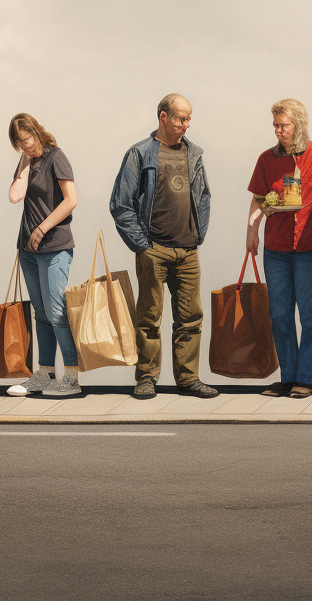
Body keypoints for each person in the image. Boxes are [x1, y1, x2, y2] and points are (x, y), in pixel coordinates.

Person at [110, 94, 217, 399]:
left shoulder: (193, 153)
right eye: (181, 118)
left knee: (191, 317)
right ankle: (146, 378)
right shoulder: (140, 153)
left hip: (188, 250)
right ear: (163, 117)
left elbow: (204, 196)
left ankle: (188, 379)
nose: (186, 124)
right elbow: (120, 204)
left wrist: (198, 235)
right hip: (153, 248)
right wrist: (142, 245)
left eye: (188, 119)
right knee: (148, 317)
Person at [247, 99, 312, 399]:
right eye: (276, 126)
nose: (279, 131)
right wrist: (251, 231)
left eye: (284, 125)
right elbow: (258, 199)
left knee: (310, 316)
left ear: (299, 124)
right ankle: (287, 376)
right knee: (279, 315)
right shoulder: (266, 159)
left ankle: (305, 378)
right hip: (277, 247)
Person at [5, 114, 81, 398]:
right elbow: (15, 196)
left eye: (28, 139)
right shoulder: (28, 160)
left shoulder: (56, 157)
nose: (25, 146)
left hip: (54, 246)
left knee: (57, 312)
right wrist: (25, 163)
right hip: (28, 250)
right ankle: (45, 374)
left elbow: (71, 199)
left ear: (37, 132)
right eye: (19, 143)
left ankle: (71, 377)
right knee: (41, 315)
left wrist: (42, 228)